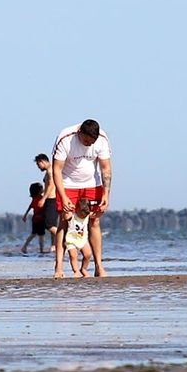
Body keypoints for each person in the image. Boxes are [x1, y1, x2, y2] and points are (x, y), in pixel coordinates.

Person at [50, 119, 112, 279]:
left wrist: (106, 194)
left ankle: (98, 265)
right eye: (85, 141)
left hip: (92, 184)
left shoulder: (102, 139)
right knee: (65, 220)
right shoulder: (66, 138)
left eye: (92, 142)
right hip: (68, 184)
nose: (88, 144)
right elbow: (56, 170)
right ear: (79, 134)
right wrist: (63, 196)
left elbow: (105, 168)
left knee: (95, 221)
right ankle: (59, 266)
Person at [62, 198, 95, 277]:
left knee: (88, 254)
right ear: (76, 209)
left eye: (85, 214)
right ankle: (76, 271)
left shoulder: (87, 215)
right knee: (73, 256)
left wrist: (100, 210)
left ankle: (83, 269)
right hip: (71, 240)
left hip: (83, 239)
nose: (83, 216)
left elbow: (95, 214)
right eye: (81, 214)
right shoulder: (72, 216)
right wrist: (68, 208)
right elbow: (65, 216)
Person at [21, 183, 47, 254]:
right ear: (38, 191)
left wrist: (25, 215)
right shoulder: (40, 199)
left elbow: (30, 207)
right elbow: (31, 207)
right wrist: (25, 215)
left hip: (35, 219)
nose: (43, 189)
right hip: (40, 219)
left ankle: (24, 246)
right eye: (41, 188)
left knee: (34, 234)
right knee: (40, 235)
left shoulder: (35, 199)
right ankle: (41, 250)